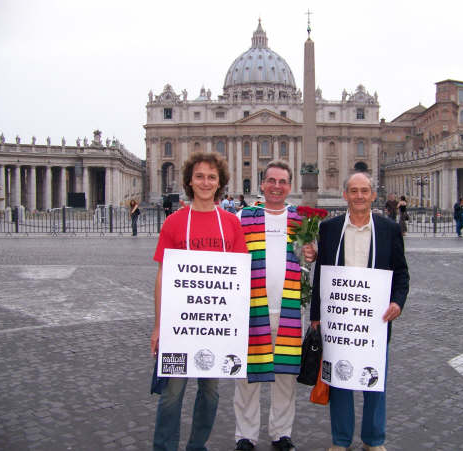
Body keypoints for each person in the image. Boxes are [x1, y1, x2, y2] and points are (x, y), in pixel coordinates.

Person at [150, 151, 248, 451]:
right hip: (178, 324)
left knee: (210, 393)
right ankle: (164, 447)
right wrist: (158, 325)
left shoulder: (231, 223)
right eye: (200, 176)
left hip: (216, 326)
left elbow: (238, 279)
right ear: (190, 181)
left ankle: (197, 445)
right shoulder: (174, 222)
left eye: (211, 177)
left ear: (220, 183)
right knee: (172, 394)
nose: (206, 182)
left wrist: (237, 327)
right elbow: (163, 275)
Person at [310, 172, 409, 451]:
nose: (359, 196)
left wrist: (397, 302)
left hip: (375, 320)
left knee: (374, 380)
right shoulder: (329, 229)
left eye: (364, 190)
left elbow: (401, 273)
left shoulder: (388, 229)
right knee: (339, 379)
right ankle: (340, 440)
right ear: (345, 195)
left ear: (373, 195)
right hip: (338, 319)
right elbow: (320, 275)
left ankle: (373, 440)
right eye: (353, 191)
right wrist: (316, 316)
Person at [233, 160, 315, 451]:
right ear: (262, 184)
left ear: (290, 186)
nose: (276, 187)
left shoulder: (301, 220)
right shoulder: (243, 216)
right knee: (248, 376)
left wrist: (312, 253)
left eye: (282, 182)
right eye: (271, 181)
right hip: (252, 309)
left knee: (286, 375)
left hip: (290, 309)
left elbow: (308, 259)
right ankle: (245, 435)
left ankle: (281, 433)